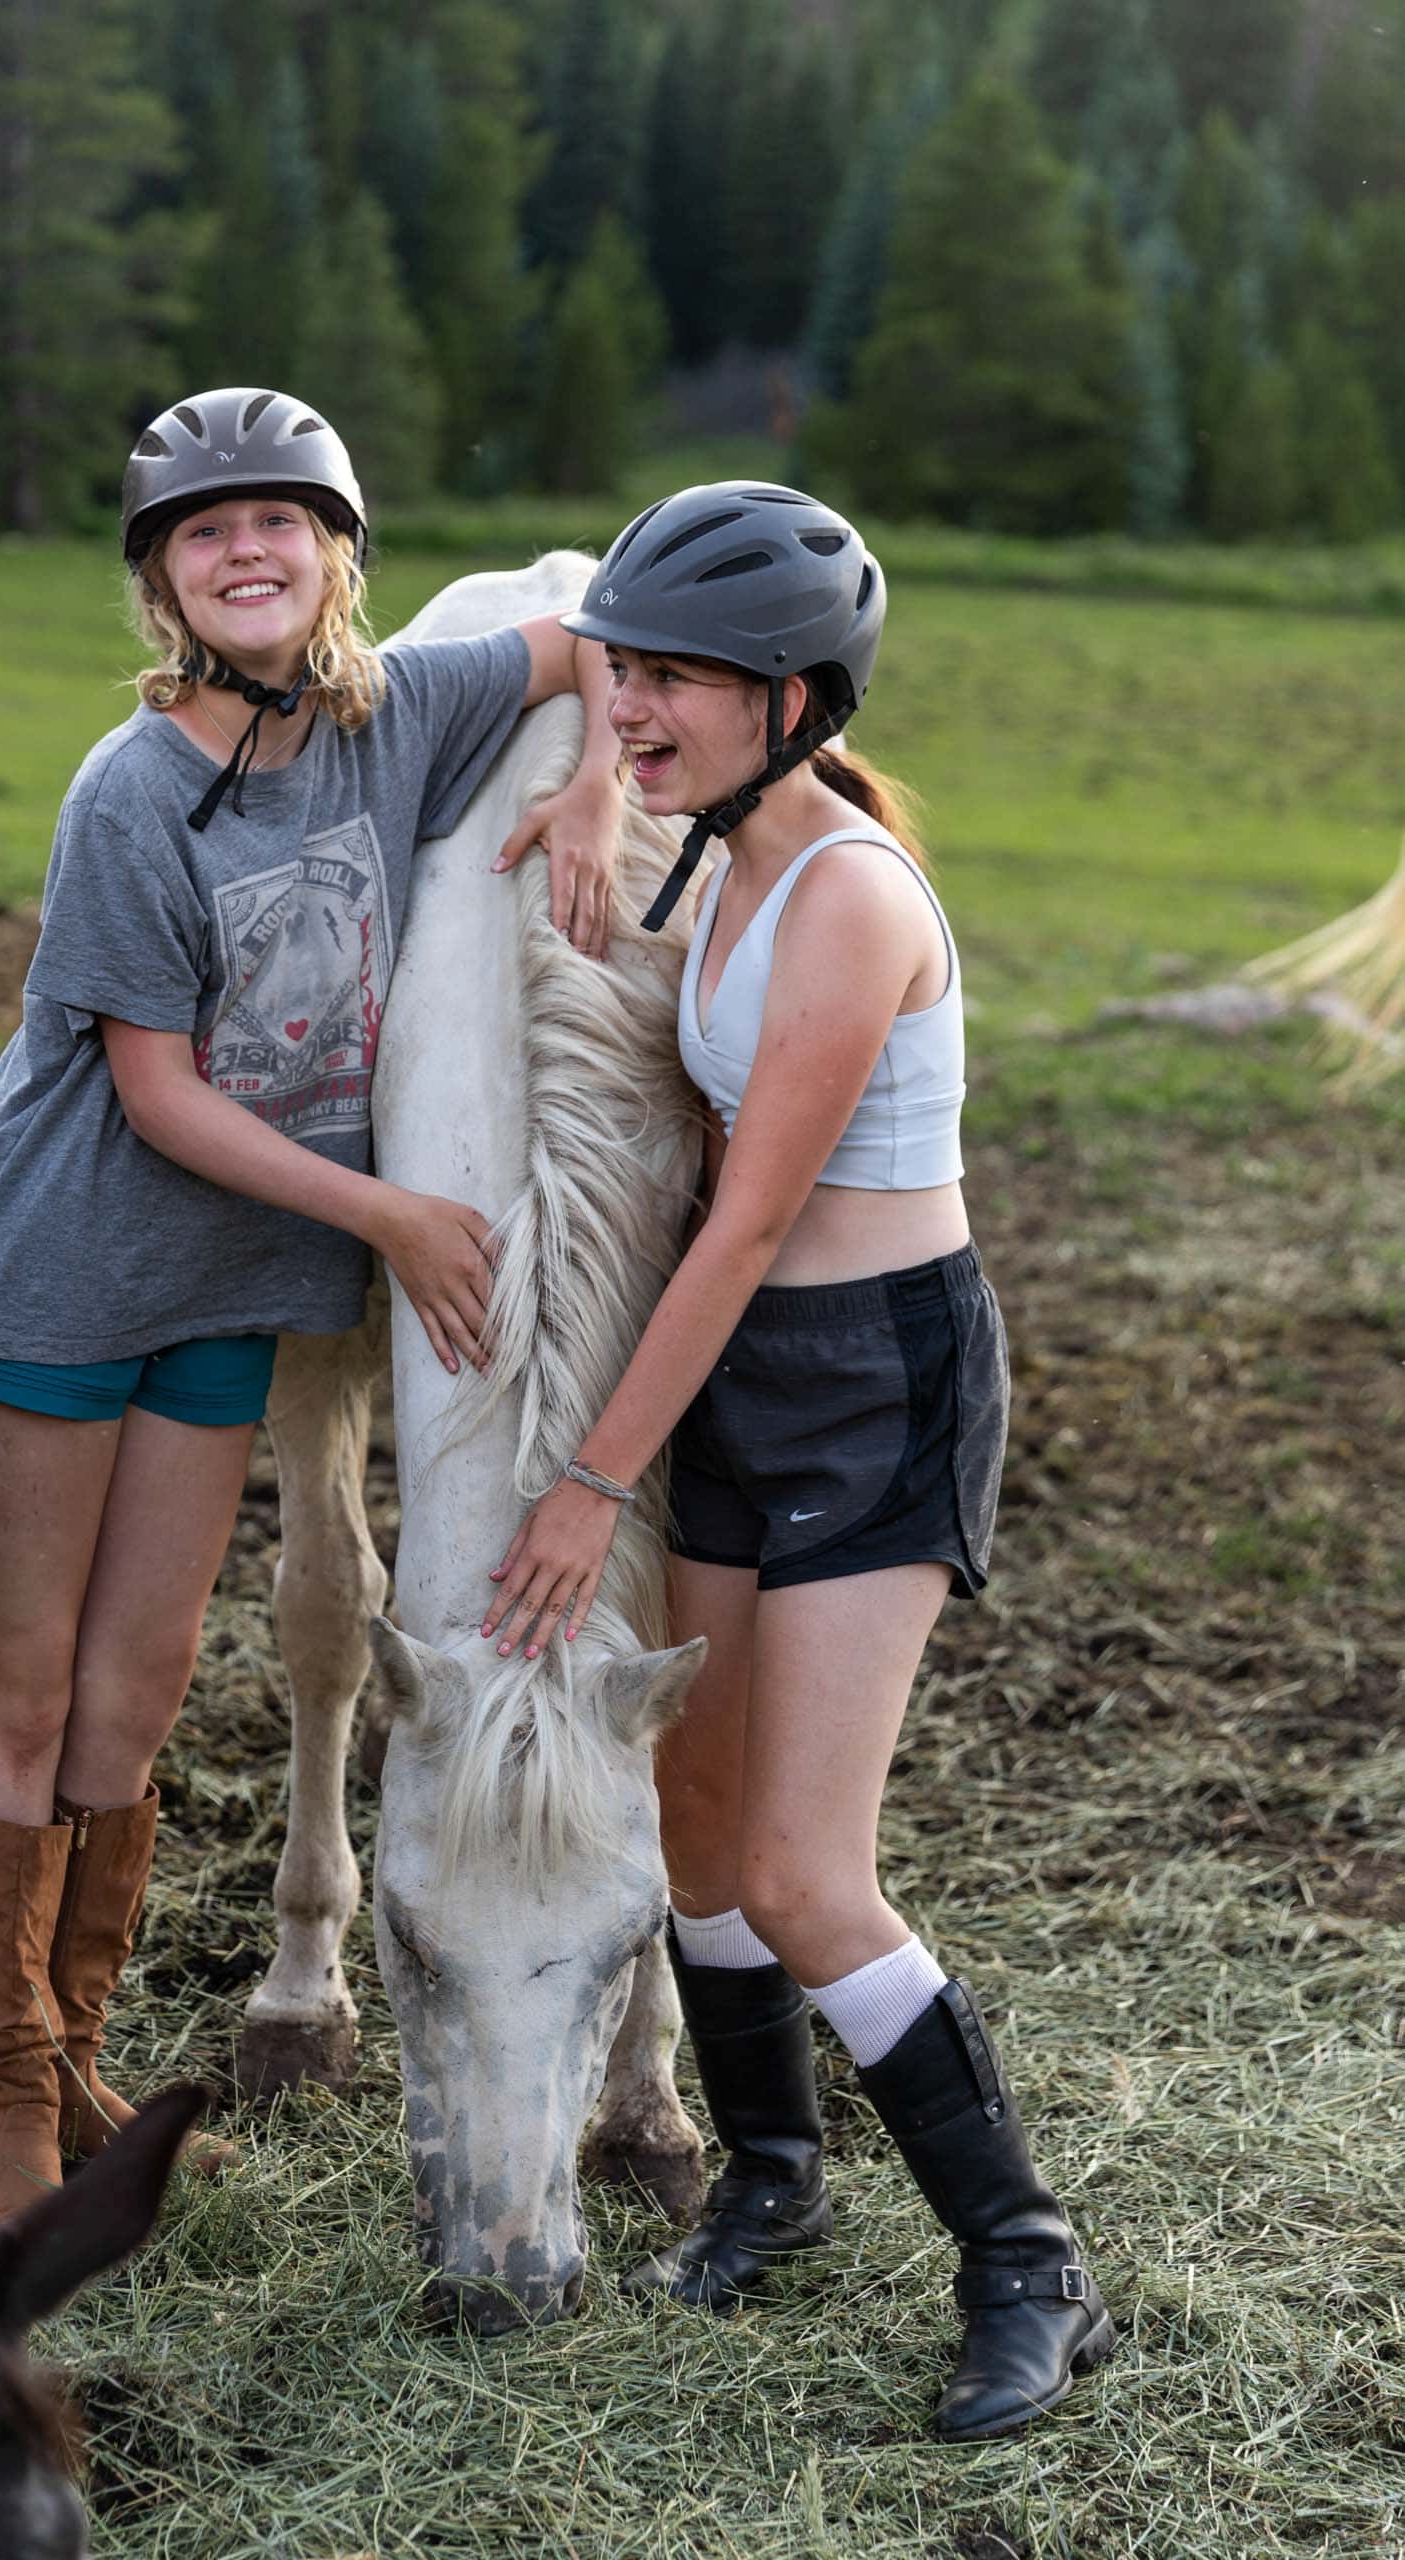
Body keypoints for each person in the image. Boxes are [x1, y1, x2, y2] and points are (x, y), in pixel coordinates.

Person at [0, 385, 624, 2226]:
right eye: (205, 532)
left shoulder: (395, 723)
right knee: (24, 1681)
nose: (248, 551)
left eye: (282, 524)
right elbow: (155, 1093)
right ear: (162, 581)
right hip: (68, 1266)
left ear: (336, 558)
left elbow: (599, 627)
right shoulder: (130, 787)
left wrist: (594, 780)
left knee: (135, 1691)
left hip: (231, 1288)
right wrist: (394, 1213)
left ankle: (75, 2052)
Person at [480, 483, 1116, 2441]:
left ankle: (1025, 2257)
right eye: (629, 668)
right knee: (692, 1809)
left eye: (675, 680)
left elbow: (748, 1221)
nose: (633, 702)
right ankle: (769, 2169)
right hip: (742, 1376)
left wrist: (589, 1478)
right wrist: (594, 783)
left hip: (870, 1380)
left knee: (800, 1866)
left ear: (795, 696)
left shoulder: (846, 896)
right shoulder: (720, 847)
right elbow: (576, 681)